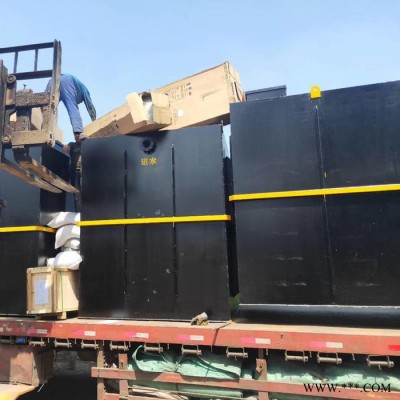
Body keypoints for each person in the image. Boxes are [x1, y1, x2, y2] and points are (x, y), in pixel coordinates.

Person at [64, 133, 87, 211]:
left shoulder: (85, 143)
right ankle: (78, 211)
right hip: (75, 173)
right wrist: (65, 146)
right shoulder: (72, 144)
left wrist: (85, 138)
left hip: (84, 172)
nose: (77, 135)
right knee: (77, 193)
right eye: (75, 134)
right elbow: (66, 149)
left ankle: (86, 211)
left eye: (78, 133)